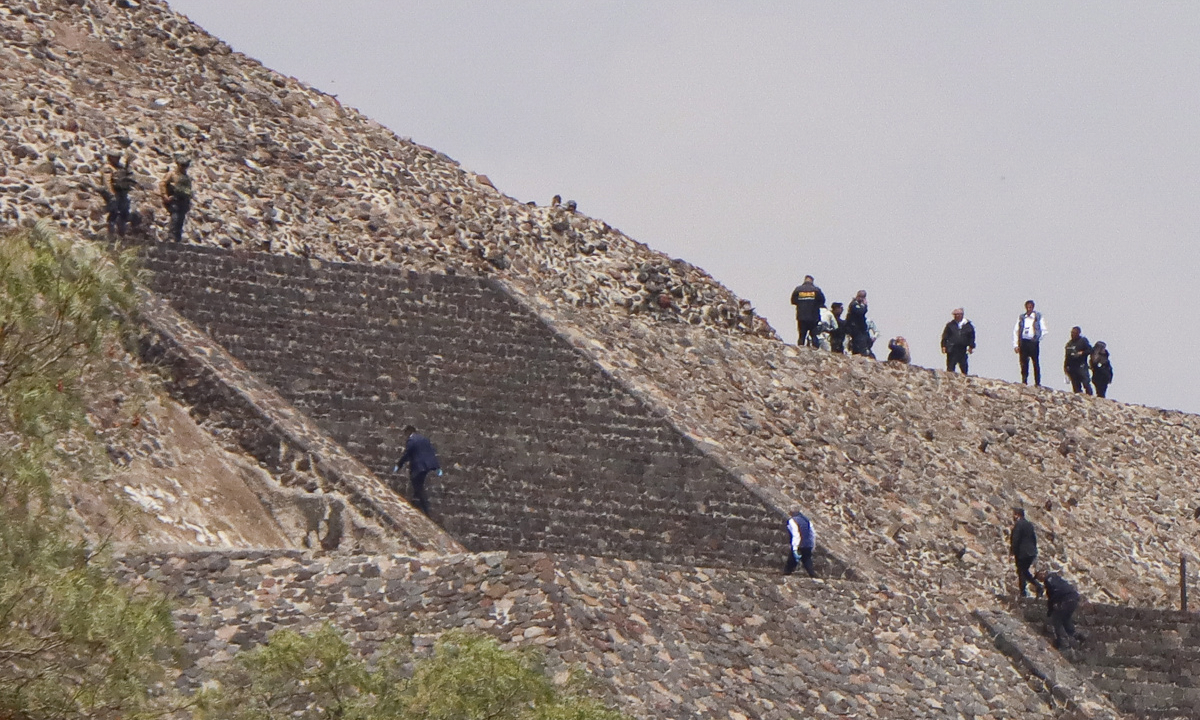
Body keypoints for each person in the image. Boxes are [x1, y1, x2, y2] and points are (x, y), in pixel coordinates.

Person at [391, 425, 441, 516]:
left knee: (417, 484)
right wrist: (437, 467)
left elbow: (407, 454)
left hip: (419, 466)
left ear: (408, 432)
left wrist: (399, 465)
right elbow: (431, 452)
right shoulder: (424, 439)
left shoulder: (412, 440)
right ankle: (416, 502)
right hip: (427, 466)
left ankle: (426, 509)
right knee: (418, 483)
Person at [1036, 569, 1082, 649]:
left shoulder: (1049, 580)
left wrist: (1052, 608)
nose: (1039, 579)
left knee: (1057, 619)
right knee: (1065, 618)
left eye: (1038, 576)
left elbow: (1056, 593)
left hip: (1067, 599)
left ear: (1043, 574)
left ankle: (1063, 642)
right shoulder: (1056, 577)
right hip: (1074, 598)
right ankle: (1076, 635)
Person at [1013, 300, 1048, 386]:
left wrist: (1037, 339)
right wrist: (1016, 344)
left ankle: (1037, 382)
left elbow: (1044, 330)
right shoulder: (1022, 317)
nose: (1029, 309)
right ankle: (1024, 380)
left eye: (1030, 307)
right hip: (1023, 342)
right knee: (1023, 362)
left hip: (1033, 343)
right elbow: (1016, 331)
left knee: (1035, 362)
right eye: (1027, 307)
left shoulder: (1038, 317)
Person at [101, 151, 136, 237]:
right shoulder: (108, 168)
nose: (118, 159)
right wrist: (111, 193)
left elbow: (128, 176)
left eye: (118, 157)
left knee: (124, 213)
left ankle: (122, 233)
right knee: (114, 212)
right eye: (116, 157)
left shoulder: (120, 167)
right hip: (114, 193)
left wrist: (128, 164)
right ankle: (111, 233)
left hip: (122, 192)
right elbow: (107, 182)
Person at [1010, 508, 1041, 598]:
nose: (1013, 516)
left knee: (1021, 571)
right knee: (1024, 571)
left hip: (1022, 552)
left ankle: (1023, 592)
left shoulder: (1018, 525)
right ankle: (1036, 586)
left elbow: (1016, 539)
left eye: (1014, 514)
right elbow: (1033, 539)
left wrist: (1012, 551)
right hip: (1031, 552)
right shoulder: (1029, 524)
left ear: (1017, 515)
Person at [161, 157, 193, 242]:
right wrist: (164, 195)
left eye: (186, 165)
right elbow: (163, 183)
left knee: (180, 220)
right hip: (175, 199)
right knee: (175, 218)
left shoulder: (186, 178)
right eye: (182, 165)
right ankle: (171, 237)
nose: (184, 167)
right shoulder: (172, 174)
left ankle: (177, 238)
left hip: (184, 201)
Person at [789, 275, 826, 348]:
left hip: (801, 317)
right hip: (813, 317)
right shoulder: (816, 290)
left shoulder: (798, 290)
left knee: (802, 336)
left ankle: (800, 349)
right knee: (814, 335)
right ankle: (815, 350)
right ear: (812, 281)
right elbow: (822, 301)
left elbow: (793, 301)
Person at [940, 308, 976, 374]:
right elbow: (945, 336)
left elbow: (971, 337)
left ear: (962, 315)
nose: (956, 316)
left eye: (958, 314)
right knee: (950, 366)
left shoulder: (968, 326)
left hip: (962, 349)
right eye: (955, 315)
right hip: (952, 348)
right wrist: (943, 346)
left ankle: (964, 378)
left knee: (963, 366)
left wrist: (971, 346)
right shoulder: (950, 325)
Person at [784, 510, 816, 577]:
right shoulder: (807, 521)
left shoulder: (792, 521)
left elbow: (796, 534)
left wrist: (795, 548)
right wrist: (812, 545)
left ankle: (786, 574)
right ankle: (813, 575)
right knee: (807, 560)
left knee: (792, 560)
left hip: (799, 544)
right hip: (808, 544)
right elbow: (813, 533)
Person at [1063, 326, 1093, 395]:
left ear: (1078, 333)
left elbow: (1090, 350)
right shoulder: (1069, 344)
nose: (1072, 334)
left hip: (1081, 365)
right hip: (1072, 367)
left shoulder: (1083, 341)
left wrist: (1082, 353)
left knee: (1086, 383)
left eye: (1074, 333)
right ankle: (1079, 397)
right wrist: (1065, 367)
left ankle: (1090, 396)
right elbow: (1067, 356)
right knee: (1076, 385)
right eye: (1072, 333)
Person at [845, 291, 871, 356]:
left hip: (860, 329)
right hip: (855, 329)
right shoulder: (854, 304)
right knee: (859, 344)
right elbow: (860, 312)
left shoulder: (859, 305)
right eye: (861, 297)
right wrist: (865, 305)